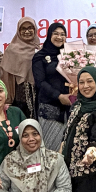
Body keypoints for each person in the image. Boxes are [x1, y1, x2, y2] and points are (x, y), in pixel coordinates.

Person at [32, 22, 70, 150]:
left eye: (63, 34)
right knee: (50, 148)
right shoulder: (39, 56)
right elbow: (40, 82)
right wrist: (58, 96)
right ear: (49, 35)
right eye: (56, 34)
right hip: (49, 106)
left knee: (67, 148)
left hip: (69, 106)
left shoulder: (70, 55)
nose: (59, 37)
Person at [0, 16, 41, 118]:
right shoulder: (11, 50)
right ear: (18, 31)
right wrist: (7, 100)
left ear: (35, 29)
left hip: (38, 96)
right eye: (23, 29)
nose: (27, 31)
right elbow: (7, 77)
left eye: (30, 28)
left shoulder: (39, 49)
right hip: (20, 96)